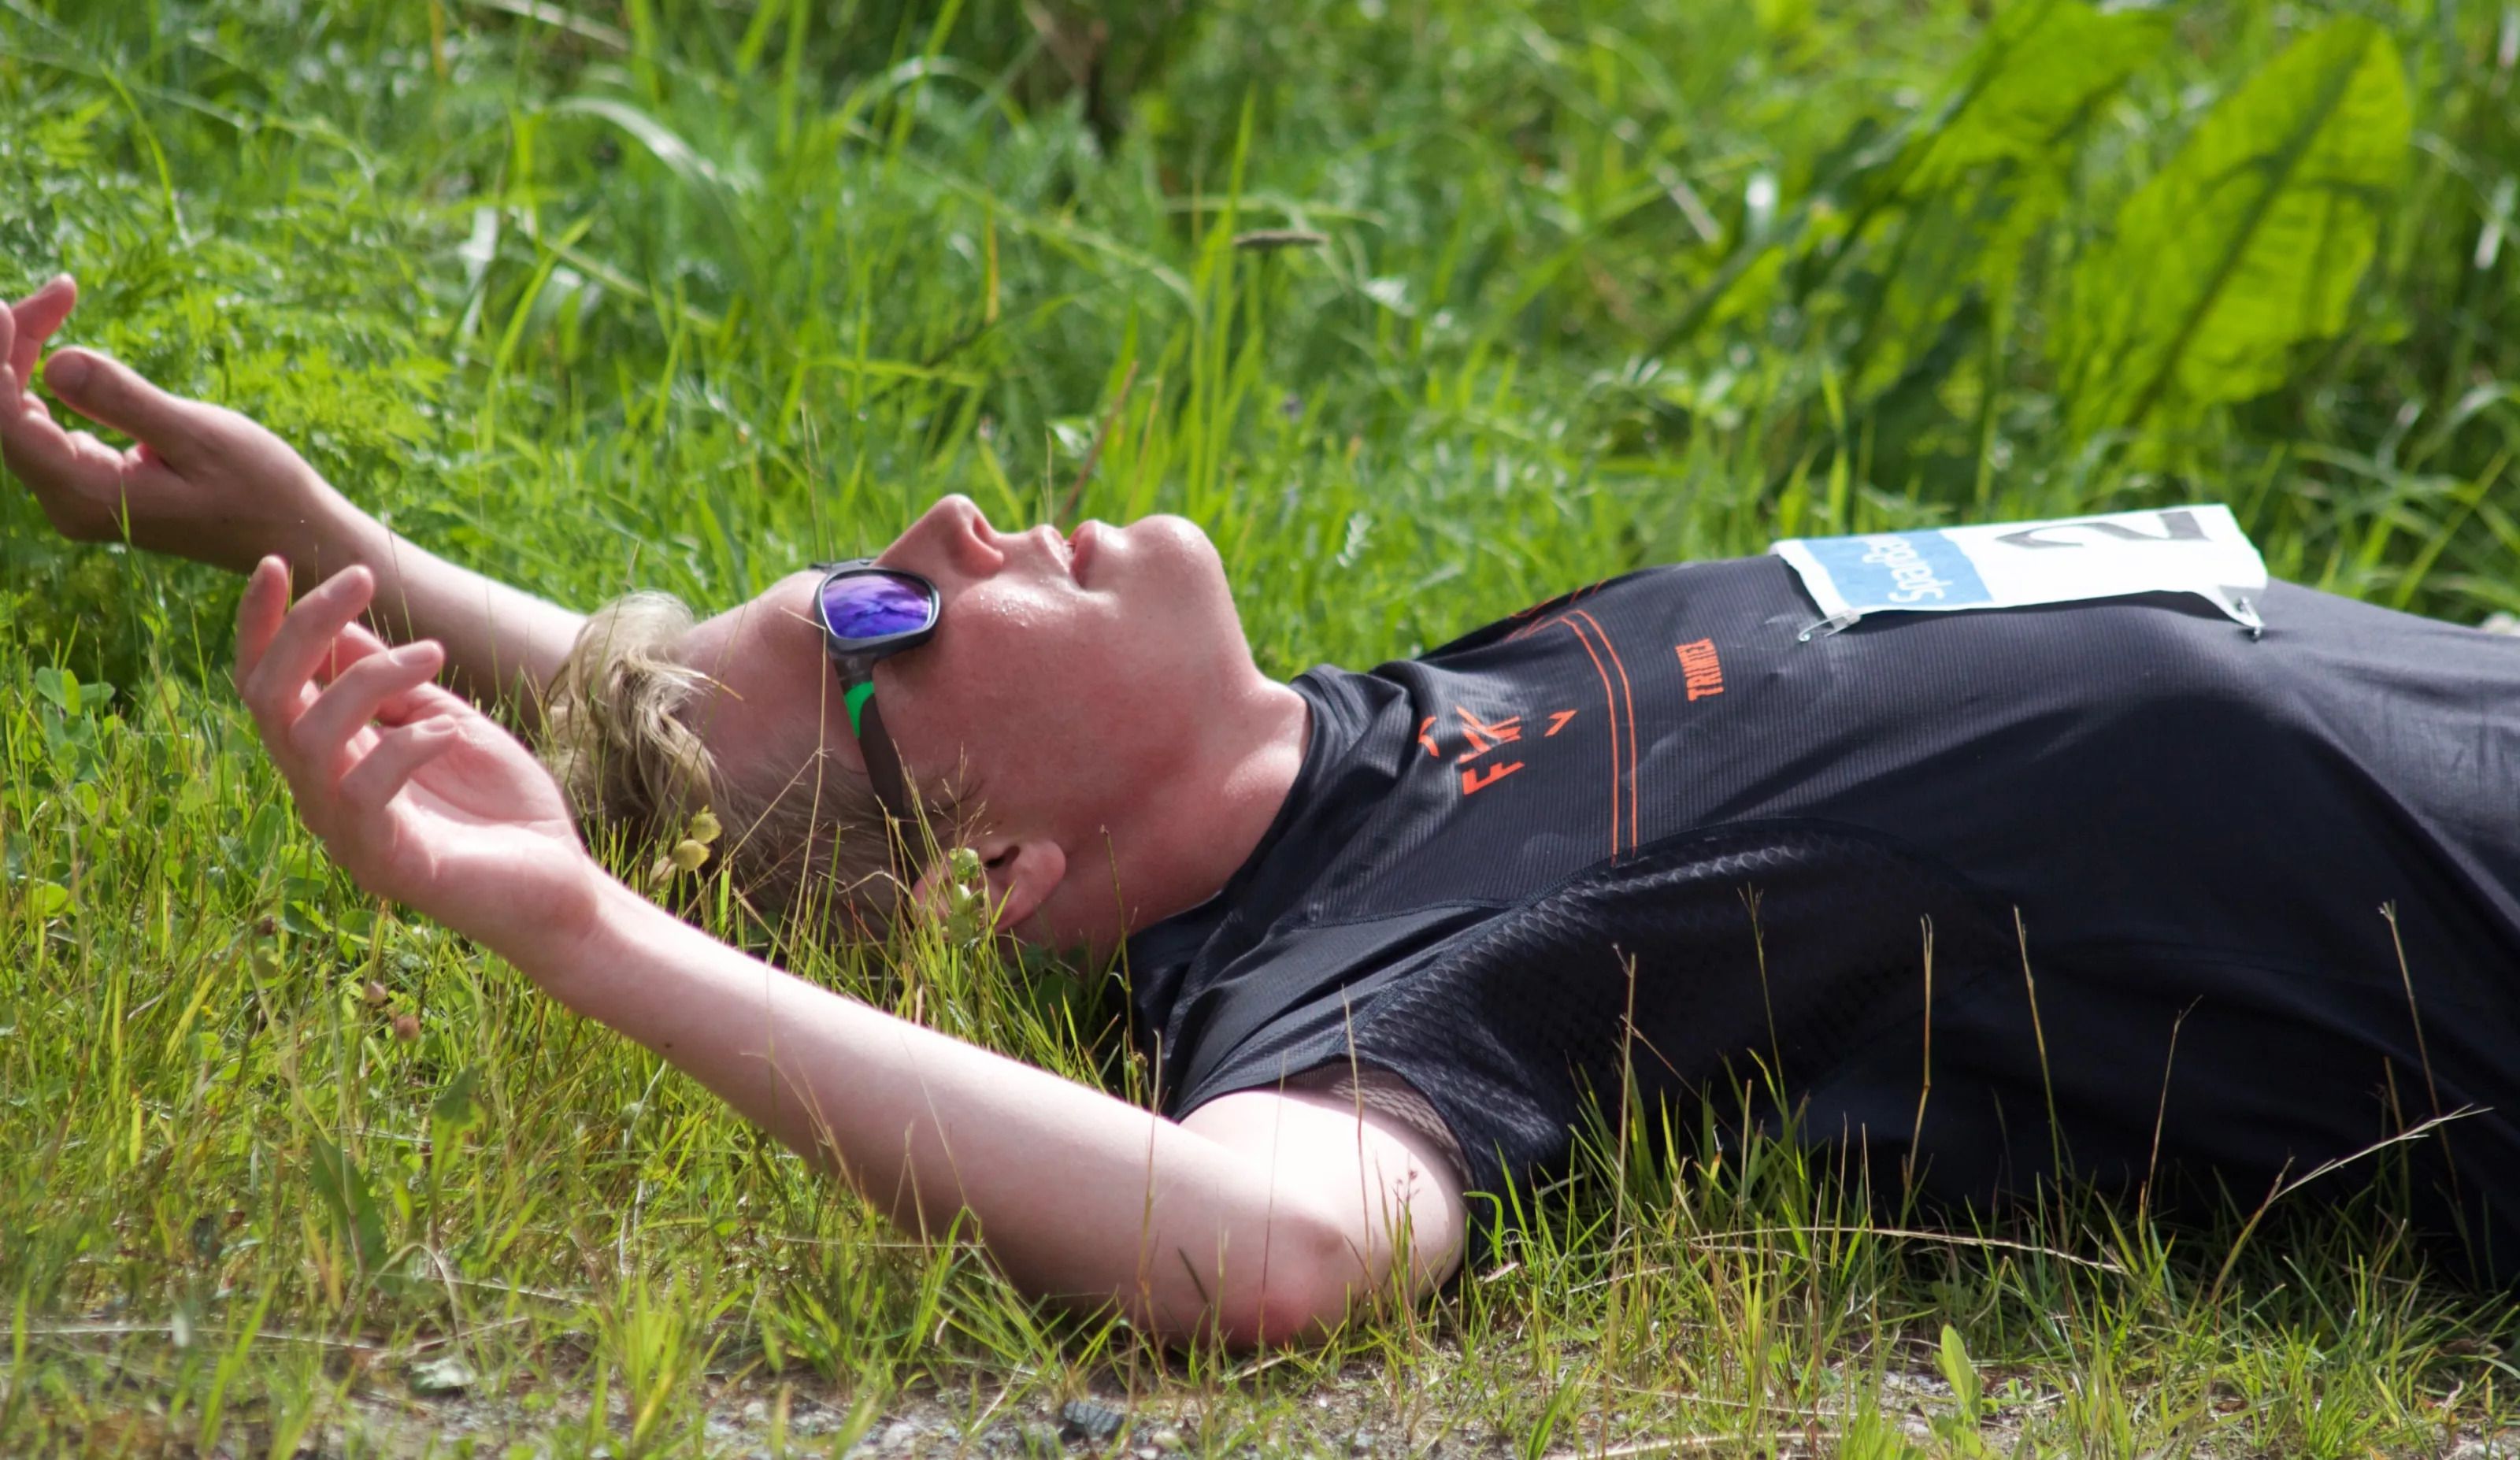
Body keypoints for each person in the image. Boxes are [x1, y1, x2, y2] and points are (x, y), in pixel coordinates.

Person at [10, 274, 2520, 1347]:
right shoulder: (1368, 974)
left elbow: (742, 737)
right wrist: (575, 928)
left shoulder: (1382, 735)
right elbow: (1262, 1252)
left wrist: (321, 538)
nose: (944, 530)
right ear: (998, 882)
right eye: (888, 613)